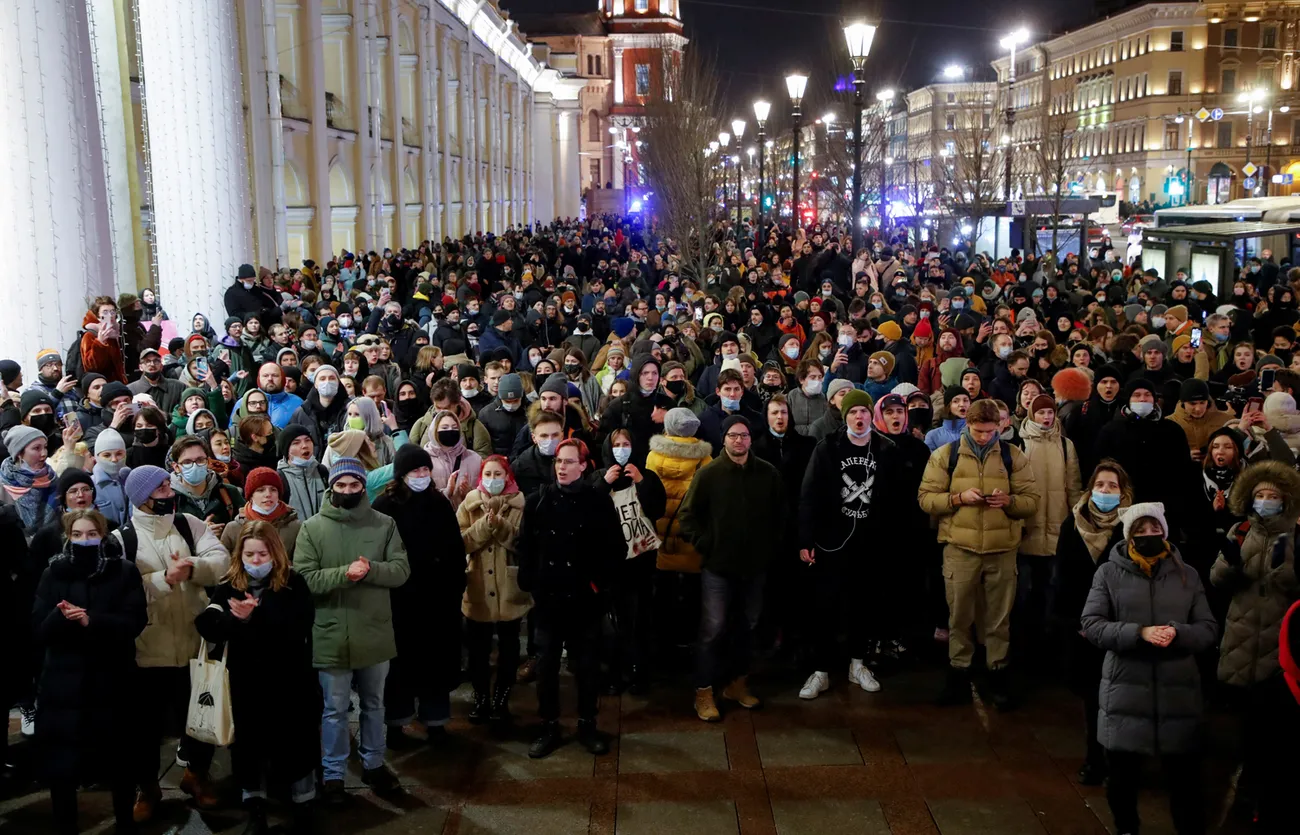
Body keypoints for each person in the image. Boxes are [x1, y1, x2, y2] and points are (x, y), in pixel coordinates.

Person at [1081, 502, 1217, 835]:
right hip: (1125, 690)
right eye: (1140, 531)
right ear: (1129, 536)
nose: (1148, 535)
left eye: (1154, 529)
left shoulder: (1188, 574)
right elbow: (1092, 624)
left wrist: (1178, 632)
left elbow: (1208, 628)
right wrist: (1137, 633)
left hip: (1178, 692)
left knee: (1185, 782)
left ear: (1165, 532)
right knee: (1123, 778)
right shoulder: (1108, 573)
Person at [115, 465, 230, 822]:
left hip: (194, 644)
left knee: (201, 719)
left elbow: (222, 561)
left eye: (168, 484)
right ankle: (147, 788)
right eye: (161, 487)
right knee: (145, 729)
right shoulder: (124, 539)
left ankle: (196, 775)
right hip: (150, 648)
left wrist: (192, 567)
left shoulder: (189, 525)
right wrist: (164, 579)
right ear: (142, 497)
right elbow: (123, 589)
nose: (169, 491)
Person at [293, 457, 410, 804]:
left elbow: (401, 570)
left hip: (374, 629)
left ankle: (374, 762)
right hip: (330, 632)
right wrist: (345, 573)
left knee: (375, 704)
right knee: (334, 708)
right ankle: (333, 774)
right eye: (340, 485)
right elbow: (304, 579)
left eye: (353, 485)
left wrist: (371, 569)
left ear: (363, 487)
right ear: (332, 488)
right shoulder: (312, 528)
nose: (347, 491)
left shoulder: (384, 524)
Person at [194, 521, 319, 834]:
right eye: (250, 554)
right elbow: (208, 623)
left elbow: (297, 628)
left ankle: (303, 803)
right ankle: (255, 806)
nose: (257, 560)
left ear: (275, 553)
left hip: (289, 682)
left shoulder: (294, 584)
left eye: (263, 554)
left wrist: (255, 617)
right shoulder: (230, 585)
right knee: (249, 748)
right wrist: (231, 620)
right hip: (246, 683)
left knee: (295, 744)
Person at [917, 398, 1041, 710]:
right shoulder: (947, 456)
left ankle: (996, 673)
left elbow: (1032, 501)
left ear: (1000, 426)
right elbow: (926, 499)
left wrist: (1009, 501)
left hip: (1002, 550)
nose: (984, 437)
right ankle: (958, 674)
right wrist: (958, 497)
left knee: (998, 619)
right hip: (960, 548)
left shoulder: (1013, 457)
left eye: (989, 431)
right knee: (959, 616)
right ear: (967, 426)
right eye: (978, 431)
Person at [32, 508, 146, 835]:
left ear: (103, 536)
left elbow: (134, 621)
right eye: (78, 535)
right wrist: (59, 616)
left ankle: (125, 823)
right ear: (68, 537)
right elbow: (38, 629)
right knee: (63, 767)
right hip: (63, 687)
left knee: (119, 764)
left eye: (92, 535)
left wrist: (91, 621)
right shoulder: (53, 574)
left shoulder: (123, 572)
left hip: (112, 682)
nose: (85, 541)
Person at [797, 389, 914, 699]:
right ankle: (821, 670)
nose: (859, 418)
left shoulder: (886, 449)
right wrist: (806, 539)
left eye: (863, 412)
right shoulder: (827, 448)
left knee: (863, 604)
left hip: (871, 542)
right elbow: (809, 496)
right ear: (845, 416)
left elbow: (897, 501)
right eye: (852, 413)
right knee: (826, 605)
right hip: (832, 541)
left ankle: (857, 664)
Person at [516, 438, 625, 758]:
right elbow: (526, 546)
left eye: (568, 461)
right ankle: (549, 724)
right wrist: (532, 582)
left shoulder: (597, 501)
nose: (561, 467)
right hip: (549, 600)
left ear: (583, 465)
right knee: (547, 667)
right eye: (558, 462)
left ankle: (587, 724)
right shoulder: (539, 501)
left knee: (587, 666)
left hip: (584, 600)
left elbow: (614, 548)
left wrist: (598, 585)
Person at [679, 414, 787, 722]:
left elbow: (781, 515)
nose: (738, 440)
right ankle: (703, 691)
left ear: (751, 439)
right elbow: (688, 516)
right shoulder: (710, 474)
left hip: (754, 566)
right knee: (712, 630)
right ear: (724, 439)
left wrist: (769, 547)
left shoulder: (767, 473)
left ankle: (738, 684)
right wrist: (706, 543)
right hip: (718, 567)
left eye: (743, 435)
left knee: (748, 626)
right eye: (732, 436)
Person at [1211, 460, 1300, 827]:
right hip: (1240, 638)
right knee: (1237, 726)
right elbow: (1217, 578)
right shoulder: (1240, 530)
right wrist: (1231, 567)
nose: (1266, 501)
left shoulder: (1295, 538)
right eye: (1261, 495)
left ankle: (1255, 791)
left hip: (1276, 643)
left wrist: (1285, 570)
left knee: (1270, 730)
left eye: (1273, 496)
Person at [372, 445, 466, 746]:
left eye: (426, 470)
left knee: (435, 665)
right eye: (416, 471)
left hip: (437, 600)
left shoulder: (438, 503)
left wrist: (455, 587)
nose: (423, 476)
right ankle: (396, 725)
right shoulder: (385, 506)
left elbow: (454, 548)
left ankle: (435, 722)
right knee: (398, 668)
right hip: (400, 601)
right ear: (402, 475)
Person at [1051, 460, 1134, 786]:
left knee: (1121, 699)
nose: (1105, 491)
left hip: (1120, 628)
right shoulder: (1071, 526)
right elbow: (1063, 579)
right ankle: (1094, 758)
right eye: (1100, 485)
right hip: (1083, 627)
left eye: (1112, 486)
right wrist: (1074, 623)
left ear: (1123, 492)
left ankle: (1122, 760)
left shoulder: (1132, 528)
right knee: (1092, 699)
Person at [458, 455, 530, 724]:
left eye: (498, 474)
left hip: (509, 587)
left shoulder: (520, 505)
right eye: (487, 474)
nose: (492, 480)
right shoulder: (469, 504)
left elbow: (523, 543)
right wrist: (484, 525)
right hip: (477, 587)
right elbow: (461, 542)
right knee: (478, 650)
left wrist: (500, 527)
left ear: (507, 477)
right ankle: (481, 698)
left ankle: (501, 698)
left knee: (510, 650)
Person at [597, 428, 667, 694]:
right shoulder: (598, 476)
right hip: (610, 564)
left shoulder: (647, 476)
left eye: (626, 443)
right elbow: (590, 509)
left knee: (640, 619)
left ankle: (640, 671)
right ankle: (614, 672)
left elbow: (657, 509)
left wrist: (642, 482)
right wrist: (604, 483)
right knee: (613, 621)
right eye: (616, 444)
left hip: (641, 562)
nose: (621, 448)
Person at [1016, 394, 1082, 665]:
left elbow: (1074, 488)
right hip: (1026, 532)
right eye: (1041, 412)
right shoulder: (1018, 444)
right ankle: (1024, 649)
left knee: (1052, 593)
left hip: (1057, 530)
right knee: (1024, 595)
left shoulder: (1066, 446)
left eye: (1050, 412)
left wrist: (1076, 523)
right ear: (1031, 414)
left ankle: (1048, 650)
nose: (1046, 417)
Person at [221, 466, 301, 560]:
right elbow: (224, 563)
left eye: (273, 489)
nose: (268, 494)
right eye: (260, 490)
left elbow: (301, 563)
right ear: (251, 496)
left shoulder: (296, 527)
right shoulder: (233, 528)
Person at [1, 425, 58, 535]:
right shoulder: (3, 485)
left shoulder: (53, 479)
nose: (44, 453)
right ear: (19, 453)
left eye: (45, 447)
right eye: (36, 448)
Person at [277, 424, 329, 522]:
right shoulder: (280, 478)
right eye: (296, 443)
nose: (304, 446)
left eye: (307, 440)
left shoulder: (322, 471)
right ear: (286, 450)